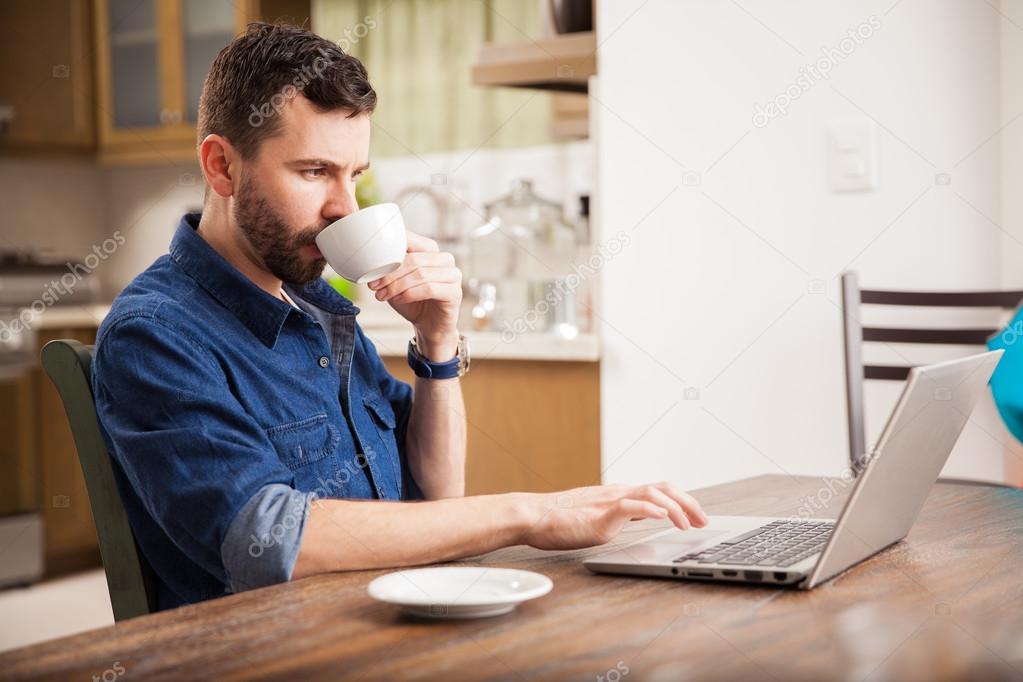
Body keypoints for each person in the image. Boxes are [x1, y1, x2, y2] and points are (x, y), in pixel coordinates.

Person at [92, 22, 707, 611]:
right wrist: (533, 514)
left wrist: (438, 344)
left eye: (355, 174)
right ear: (221, 166)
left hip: (393, 624)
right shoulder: (155, 333)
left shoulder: (318, 307)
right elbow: (266, 538)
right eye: (314, 172)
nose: (344, 206)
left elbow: (437, 492)